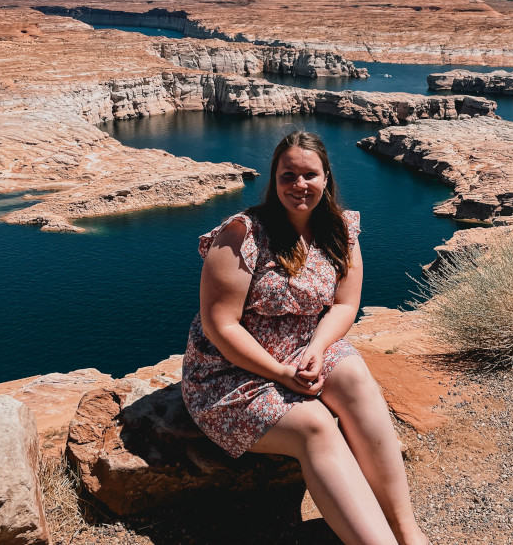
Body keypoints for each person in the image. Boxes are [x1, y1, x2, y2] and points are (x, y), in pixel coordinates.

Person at [182, 131, 427, 545]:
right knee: (315, 426)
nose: (299, 185)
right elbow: (220, 326)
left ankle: (407, 530)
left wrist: (315, 349)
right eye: (287, 175)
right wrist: (279, 372)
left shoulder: (340, 230)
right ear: (274, 180)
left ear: (326, 177)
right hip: (230, 372)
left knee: (356, 380)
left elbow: (345, 306)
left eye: (309, 174)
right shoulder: (242, 235)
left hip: (302, 350)